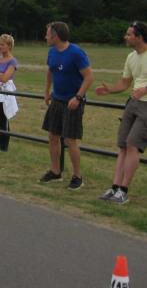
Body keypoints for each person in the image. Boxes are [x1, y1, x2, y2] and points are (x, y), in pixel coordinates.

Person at [94, 21, 147, 205]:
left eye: (129, 34)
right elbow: (125, 83)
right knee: (123, 145)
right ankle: (114, 188)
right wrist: (110, 90)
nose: (126, 37)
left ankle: (123, 191)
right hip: (133, 103)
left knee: (132, 145)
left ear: (139, 37)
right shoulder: (131, 57)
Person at [39, 21, 94, 190]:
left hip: (73, 102)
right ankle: (55, 171)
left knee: (70, 139)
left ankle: (77, 177)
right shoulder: (52, 52)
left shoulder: (76, 53)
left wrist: (78, 97)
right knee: (52, 136)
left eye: (48, 34)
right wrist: (47, 91)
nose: (45, 36)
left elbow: (89, 77)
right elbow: (50, 71)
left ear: (55, 36)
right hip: (57, 99)